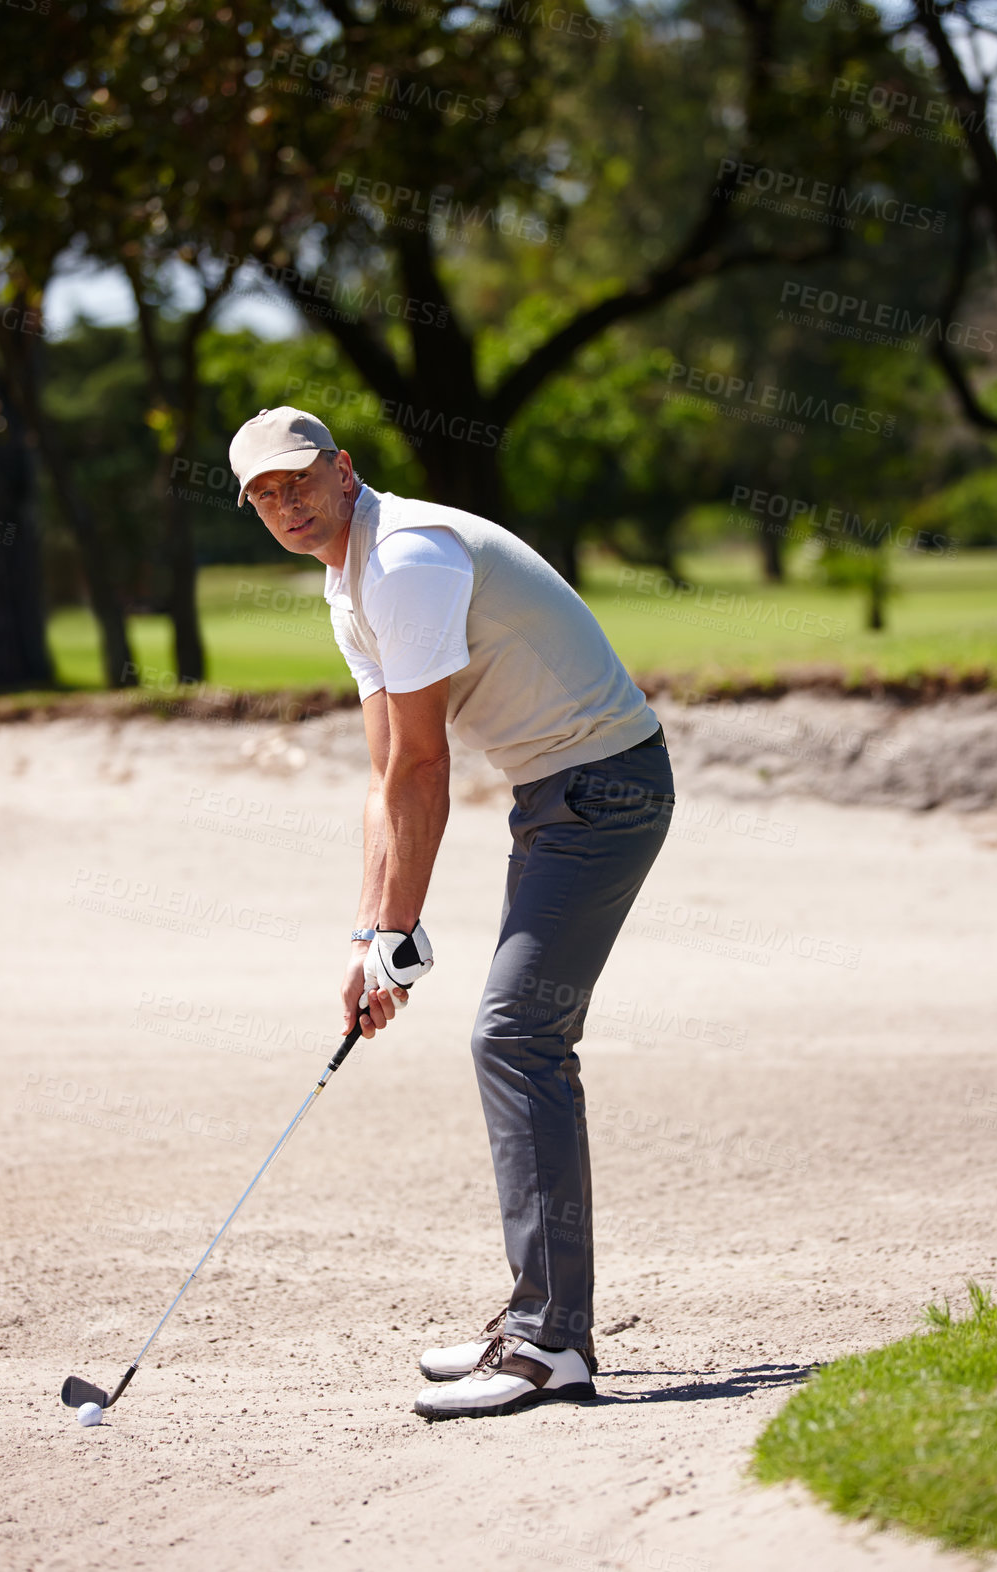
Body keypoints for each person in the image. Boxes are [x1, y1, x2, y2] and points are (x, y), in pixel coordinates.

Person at [229, 406, 676, 1420]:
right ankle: (538, 1321)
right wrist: (368, 937)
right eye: (263, 493)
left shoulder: (406, 562)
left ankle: (548, 1342)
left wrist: (400, 928)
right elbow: (385, 770)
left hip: (602, 790)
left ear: (344, 471)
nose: (285, 503)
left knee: (516, 1036)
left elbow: (427, 764)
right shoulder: (349, 581)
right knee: (518, 1036)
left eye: (298, 479)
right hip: (558, 793)